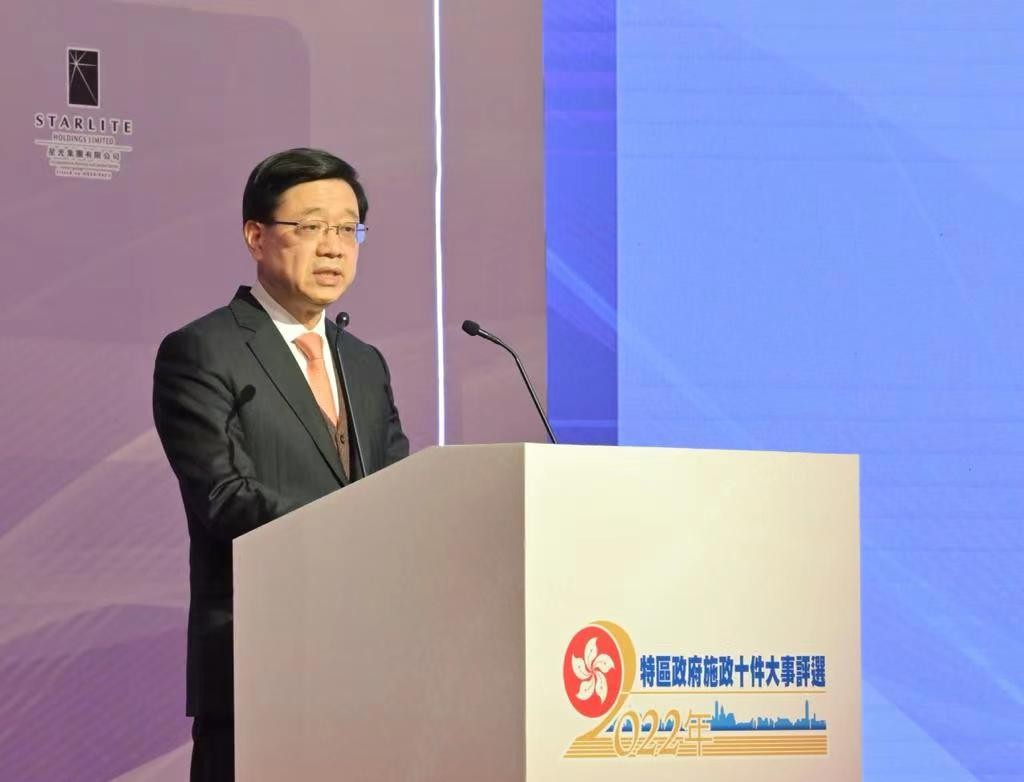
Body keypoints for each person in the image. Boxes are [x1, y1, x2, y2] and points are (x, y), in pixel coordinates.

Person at [152, 148, 409, 781]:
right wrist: (355, 531)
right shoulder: (203, 350)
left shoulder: (365, 362)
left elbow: (401, 491)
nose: (333, 247)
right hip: (257, 663)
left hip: (368, 670)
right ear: (256, 236)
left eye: (347, 228)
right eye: (312, 226)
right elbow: (223, 497)